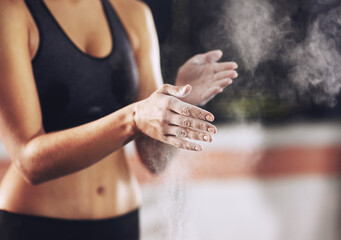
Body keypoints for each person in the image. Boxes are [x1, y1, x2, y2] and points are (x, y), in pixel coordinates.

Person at [0, 0, 238, 239]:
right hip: (35, 224)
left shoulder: (134, 14)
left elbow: (154, 158)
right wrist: (133, 118)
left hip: (121, 222)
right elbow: (30, 162)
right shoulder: (11, 12)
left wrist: (181, 100)